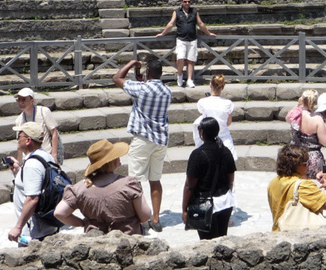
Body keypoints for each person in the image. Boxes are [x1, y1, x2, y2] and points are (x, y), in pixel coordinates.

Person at [113, 58, 171, 232]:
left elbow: (117, 78)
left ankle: (141, 219)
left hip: (143, 138)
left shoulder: (141, 89)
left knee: (135, 182)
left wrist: (132, 63)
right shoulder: (167, 91)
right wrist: (142, 77)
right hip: (160, 140)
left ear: (148, 73)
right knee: (155, 180)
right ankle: (156, 218)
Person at [54, 139, 151, 235]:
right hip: (128, 241)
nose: (119, 157)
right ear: (110, 161)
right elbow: (145, 216)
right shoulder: (129, 184)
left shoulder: (79, 189)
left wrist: (83, 223)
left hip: (97, 242)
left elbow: (59, 213)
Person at [183, 117, 236, 239]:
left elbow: (189, 186)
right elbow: (231, 179)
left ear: (201, 132)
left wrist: (185, 209)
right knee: (222, 239)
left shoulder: (197, 155)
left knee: (207, 243)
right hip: (225, 202)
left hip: (205, 205)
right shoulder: (226, 151)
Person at [7, 122, 60, 245]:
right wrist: (18, 171)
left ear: (28, 140)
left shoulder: (32, 165)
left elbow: (32, 198)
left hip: (34, 232)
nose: (17, 139)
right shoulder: (45, 156)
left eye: (19, 136)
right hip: (47, 227)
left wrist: (18, 227)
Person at [267, 144, 326, 231]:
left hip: (278, 230)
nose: (309, 165)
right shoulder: (303, 186)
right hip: (298, 233)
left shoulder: (274, 181)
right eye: (307, 163)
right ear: (297, 165)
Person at [156, 0, 216, 88]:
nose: (187, 3)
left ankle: (189, 80)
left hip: (192, 39)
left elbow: (200, 23)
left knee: (190, 60)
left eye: (188, 1)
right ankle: (179, 76)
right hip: (181, 39)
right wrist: (163, 33)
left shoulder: (194, 11)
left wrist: (208, 33)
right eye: (185, 1)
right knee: (180, 58)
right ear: (181, 2)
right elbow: (171, 23)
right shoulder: (176, 12)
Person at [286, 89, 326, 178]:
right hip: (312, 157)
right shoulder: (317, 119)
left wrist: (297, 105)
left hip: (295, 155)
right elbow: (325, 142)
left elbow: (287, 118)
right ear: (315, 102)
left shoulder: (295, 115)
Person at [13, 88, 61, 165]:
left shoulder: (43, 111)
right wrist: (19, 163)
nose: (21, 102)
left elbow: (54, 132)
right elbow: (20, 142)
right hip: (29, 159)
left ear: (32, 100)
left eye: (24, 99)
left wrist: (54, 155)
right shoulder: (19, 120)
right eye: (19, 99)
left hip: (46, 155)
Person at [194, 74, 236, 159]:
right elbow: (228, 123)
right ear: (222, 87)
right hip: (225, 140)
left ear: (210, 85)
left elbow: (203, 121)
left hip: (208, 141)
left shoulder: (202, 102)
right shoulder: (228, 103)